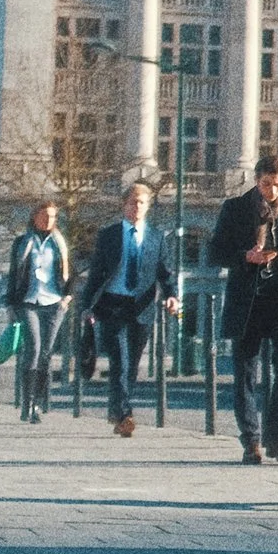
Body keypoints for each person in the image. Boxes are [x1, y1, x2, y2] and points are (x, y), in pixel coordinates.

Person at [208, 155, 278, 465]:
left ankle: (275, 437)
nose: (272, 190)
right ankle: (251, 440)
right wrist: (246, 256)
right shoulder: (235, 208)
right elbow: (216, 251)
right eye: (267, 184)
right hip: (248, 299)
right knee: (244, 373)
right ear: (257, 180)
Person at [76, 183, 180, 437]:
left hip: (142, 307)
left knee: (132, 363)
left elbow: (165, 273)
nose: (136, 207)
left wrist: (172, 296)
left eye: (141, 203)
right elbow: (97, 274)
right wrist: (87, 305)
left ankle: (117, 408)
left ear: (148, 207)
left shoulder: (156, 237)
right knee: (119, 361)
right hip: (113, 304)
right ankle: (124, 414)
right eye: (132, 202)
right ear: (124, 205)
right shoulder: (109, 235)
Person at [2, 201, 71, 424]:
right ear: (35, 217)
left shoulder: (60, 243)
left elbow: (71, 272)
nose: (48, 221)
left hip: (53, 302)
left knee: (46, 353)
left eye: (52, 217)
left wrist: (67, 297)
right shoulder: (23, 242)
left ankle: (39, 401)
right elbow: (15, 273)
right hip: (29, 301)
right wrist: (11, 303)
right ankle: (28, 402)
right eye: (44, 216)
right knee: (33, 349)